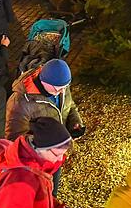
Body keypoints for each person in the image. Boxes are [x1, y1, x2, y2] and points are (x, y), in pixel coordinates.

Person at [5, 58, 84, 193]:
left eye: (65, 88)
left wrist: (75, 122)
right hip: (40, 161)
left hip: (56, 153)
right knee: (41, 192)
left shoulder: (60, 86)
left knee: (53, 190)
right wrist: (44, 148)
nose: (61, 92)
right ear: (43, 81)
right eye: (58, 89)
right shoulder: (20, 102)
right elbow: (14, 139)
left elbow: (70, 106)